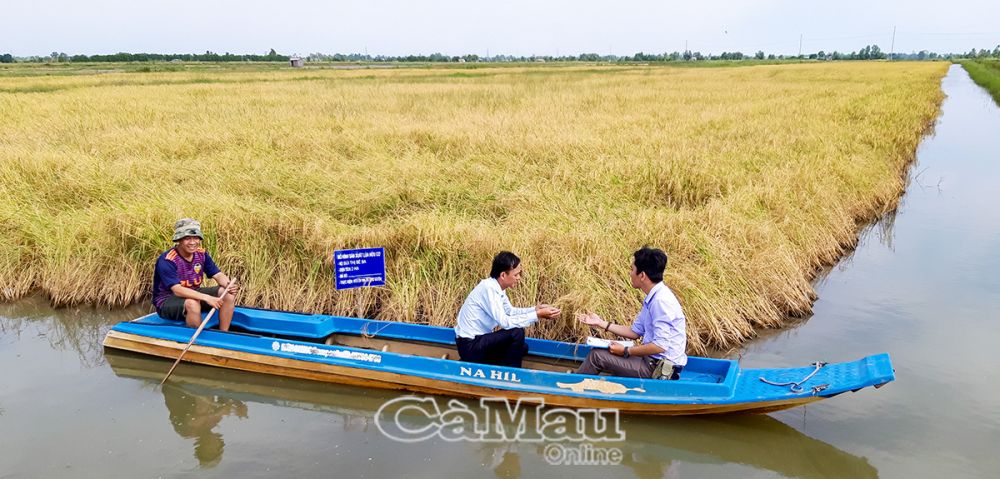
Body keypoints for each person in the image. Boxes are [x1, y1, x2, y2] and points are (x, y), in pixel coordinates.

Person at [576, 247, 687, 379]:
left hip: (660, 369)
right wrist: (600, 323)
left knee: (597, 356)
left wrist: (626, 351)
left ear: (642, 275)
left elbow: (660, 346)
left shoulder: (660, 302)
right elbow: (635, 332)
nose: (630, 273)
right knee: (603, 352)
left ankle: (570, 390)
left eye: (632, 269)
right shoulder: (654, 296)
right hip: (652, 361)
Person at [455, 251, 561, 368]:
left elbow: (510, 311)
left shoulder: (499, 288)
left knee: (522, 348)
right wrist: (537, 315)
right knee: (516, 333)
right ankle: (512, 375)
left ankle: (489, 367)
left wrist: (534, 310)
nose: (519, 278)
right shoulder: (489, 289)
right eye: (516, 275)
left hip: (478, 342)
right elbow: (505, 322)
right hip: (469, 346)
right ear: (503, 275)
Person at [152, 218, 238, 331]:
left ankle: (223, 333)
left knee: (227, 294)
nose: (192, 242)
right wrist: (207, 298)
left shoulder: (201, 254)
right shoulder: (168, 260)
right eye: (187, 238)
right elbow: (177, 290)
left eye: (196, 238)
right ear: (179, 240)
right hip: (167, 300)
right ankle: (197, 340)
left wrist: (228, 285)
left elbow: (217, 274)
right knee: (192, 303)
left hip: (193, 293)